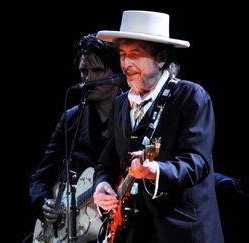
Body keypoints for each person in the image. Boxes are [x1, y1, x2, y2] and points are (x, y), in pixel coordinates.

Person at [92, 10, 224, 243]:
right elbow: (107, 159)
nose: (125, 64)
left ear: (161, 57)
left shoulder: (191, 96)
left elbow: (197, 161)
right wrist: (102, 184)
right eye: (122, 54)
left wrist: (157, 171)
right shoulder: (120, 103)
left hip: (181, 231)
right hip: (133, 231)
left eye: (135, 54)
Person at [29, 33, 124, 242]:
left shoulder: (132, 115)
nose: (88, 79)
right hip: (76, 227)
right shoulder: (72, 118)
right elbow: (40, 177)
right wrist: (44, 203)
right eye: (83, 71)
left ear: (117, 74)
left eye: (97, 70)